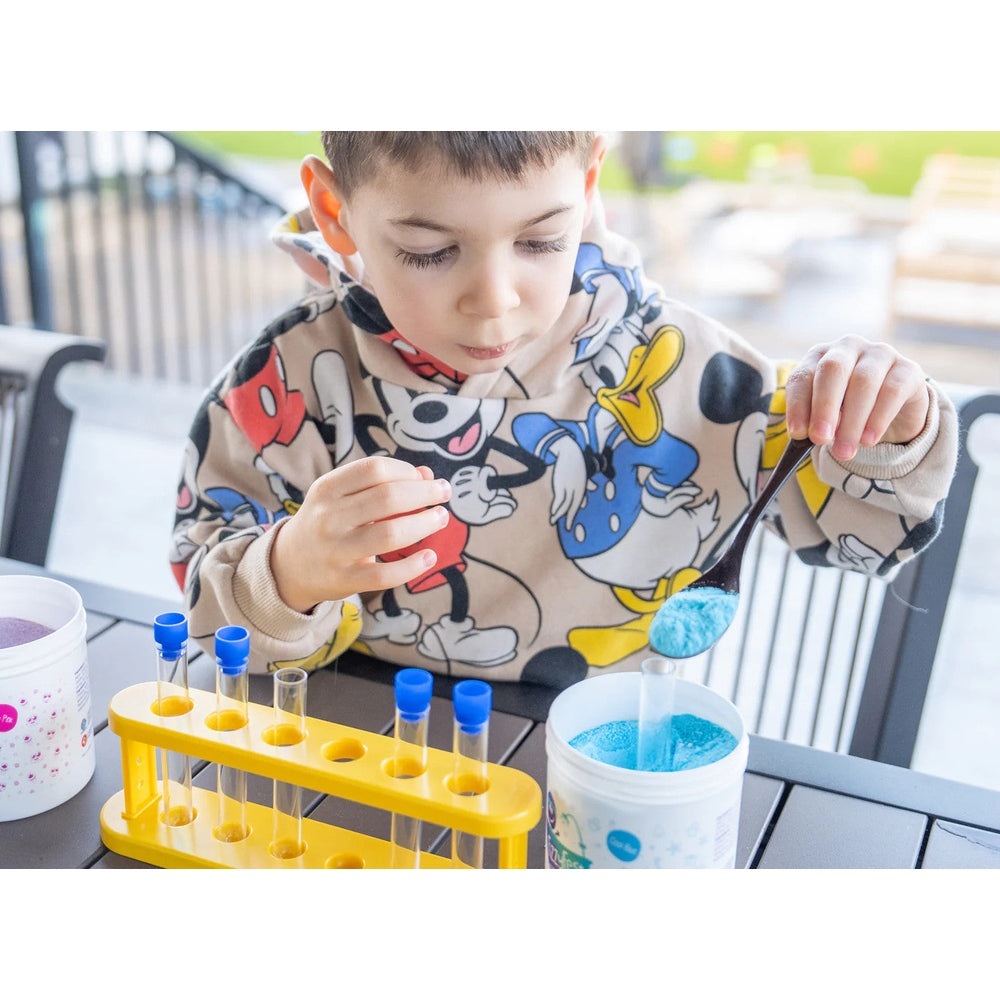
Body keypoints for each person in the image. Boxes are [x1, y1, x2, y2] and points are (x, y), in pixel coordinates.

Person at [170, 132, 958, 685]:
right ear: (334, 210)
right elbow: (210, 618)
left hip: (599, 768)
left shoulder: (686, 371)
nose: (494, 300)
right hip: (356, 761)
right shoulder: (287, 383)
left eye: (541, 241)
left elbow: (866, 541)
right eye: (429, 252)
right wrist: (291, 570)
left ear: (586, 187)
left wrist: (889, 427)